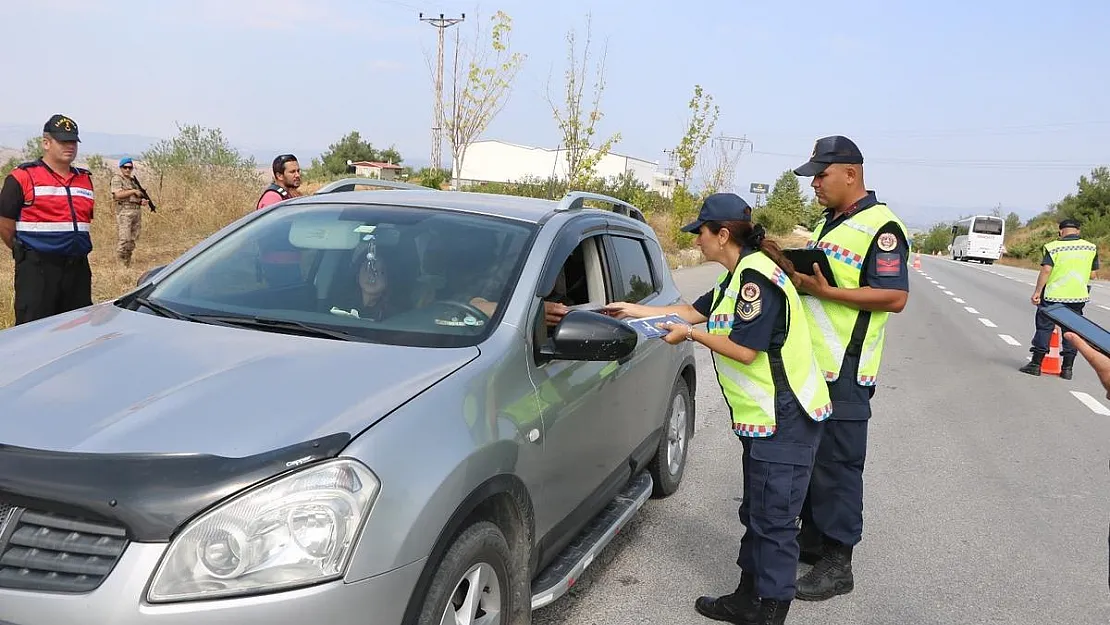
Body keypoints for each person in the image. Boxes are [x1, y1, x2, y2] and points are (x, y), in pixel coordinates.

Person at [605, 193, 832, 625]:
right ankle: (749, 598)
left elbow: (745, 351)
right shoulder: (738, 275)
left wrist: (689, 337)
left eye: (701, 234)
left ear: (722, 234)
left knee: (776, 521)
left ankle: (770, 611)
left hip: (785, 418)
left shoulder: (755, 281)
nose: (697, 242)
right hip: (766, 419)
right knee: (759, 511)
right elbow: (692, 310)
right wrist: (635, 310)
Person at [789, 135, 910, 602]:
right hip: (817, 364)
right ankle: (815, 541)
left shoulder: (881, 228)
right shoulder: (829, 224)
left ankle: (839, 563)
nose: (814, 184)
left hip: (847, 367)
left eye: (821, 175)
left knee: (838, 464)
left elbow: (894, 297)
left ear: (850, 174)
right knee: (816, 458)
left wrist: (824, 292)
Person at [0, 114, 95, 325]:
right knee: (34, 329)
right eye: (62, 141)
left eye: (72, 141)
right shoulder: (23, 176)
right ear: (46, 143)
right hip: (38, 268)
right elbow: (5, 223)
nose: (69, 146)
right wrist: (23, 251)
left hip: (77, 268)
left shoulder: (84, 179)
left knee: (77, 327)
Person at [1019, 218, 1099, 379]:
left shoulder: (1053, 247)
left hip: (1053, 295)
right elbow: (1093, 274)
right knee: (1071, 331)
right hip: (1077, 297)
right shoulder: (1090, 248)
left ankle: (1035, 364)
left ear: (1061, 231)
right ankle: (1067, 369)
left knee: (1044, 327)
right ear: (1078, 230)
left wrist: (1037, 291)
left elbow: (1046, 271)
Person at [255, 154, 304, 286]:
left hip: (289, 261)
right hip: (278, 264)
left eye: (298, 171)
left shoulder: (287, 195)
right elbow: (273, 232)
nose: (297, 175)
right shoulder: (272, 198)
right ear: (279, 176)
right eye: (292, 172)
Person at [109, 156, 152, 266]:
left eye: (130, 168)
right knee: (124, 239)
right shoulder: (118, 179)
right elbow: (117, 194)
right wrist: (133, 191)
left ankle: (127, 262)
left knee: (132, 239)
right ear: (121, 168)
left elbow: (134, 198)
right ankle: (120, 264)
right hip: (124, 212)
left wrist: (141, 201)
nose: (127, 170)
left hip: (135, 212)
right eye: (125, 167)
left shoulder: (133, 181)